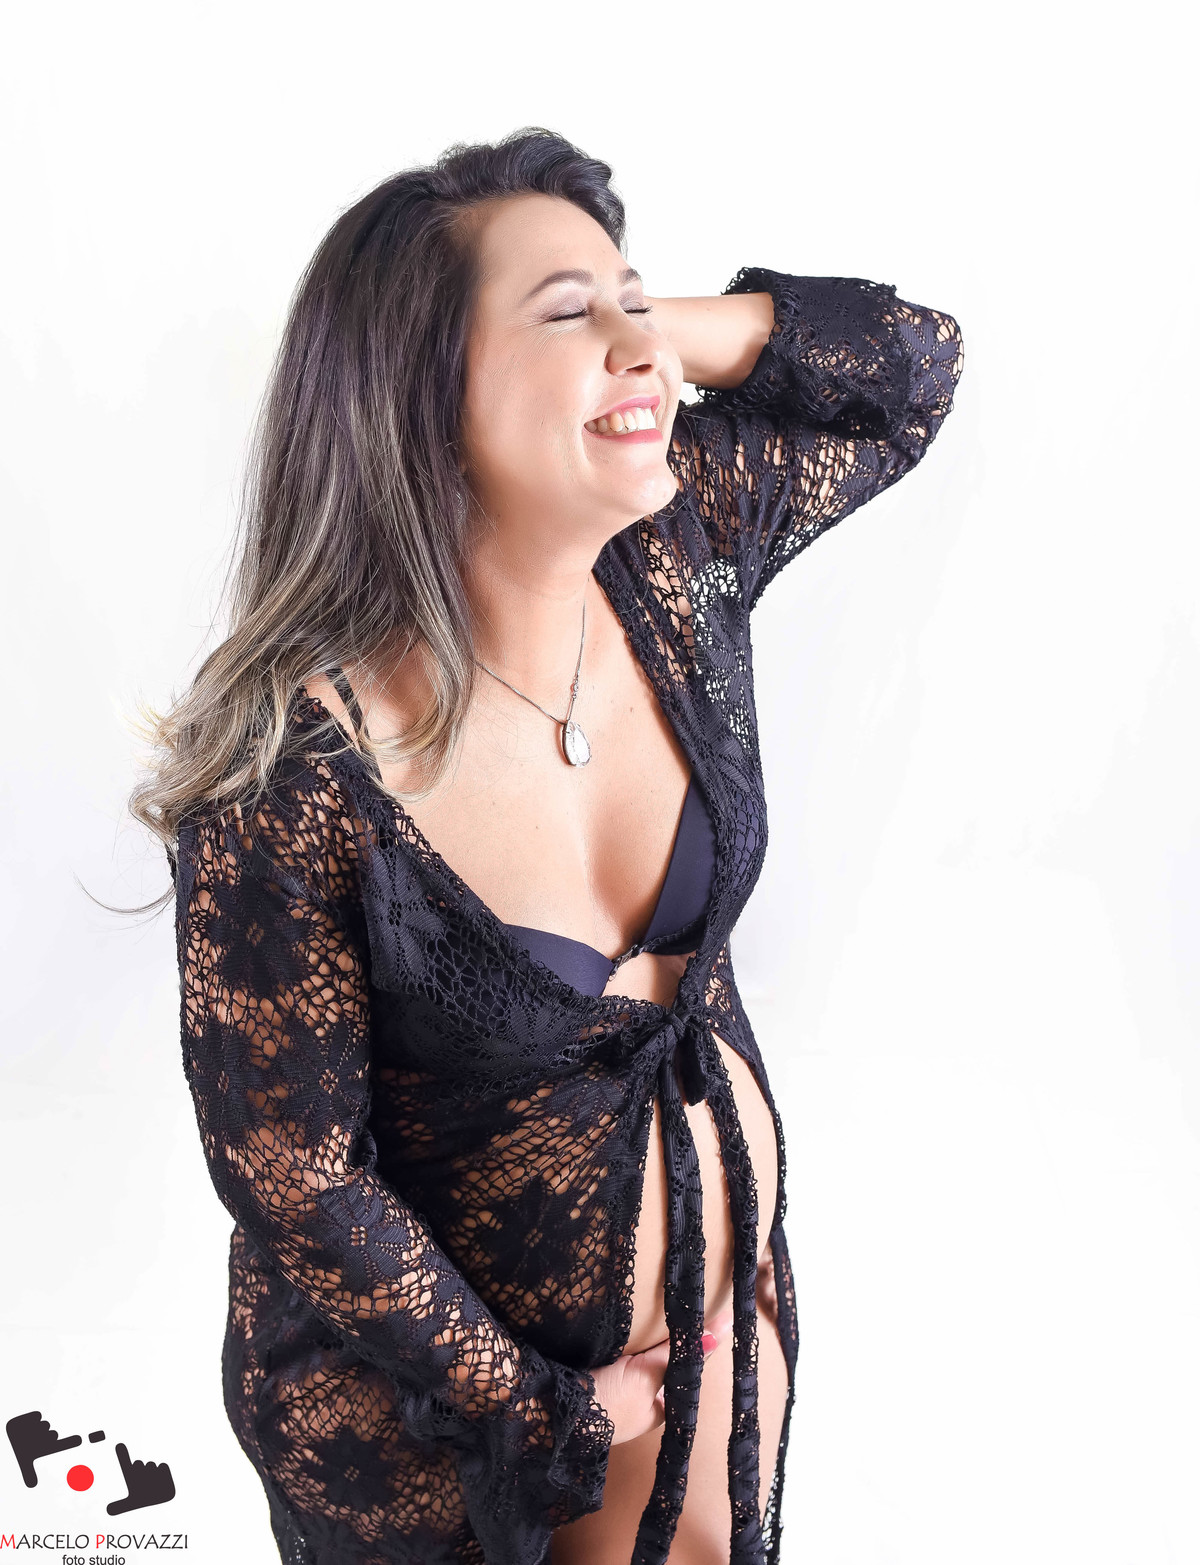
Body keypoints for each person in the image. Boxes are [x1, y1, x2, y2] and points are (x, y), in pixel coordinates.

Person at [132, 127, 964, 1565]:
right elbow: (298, 1177)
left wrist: (635, 335)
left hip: (710, 1339)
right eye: (566, 312)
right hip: (451, 1437)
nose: (644, 346)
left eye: (638, 296)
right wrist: (547, 1406)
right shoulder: (297, 763)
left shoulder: (677, 557)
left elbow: (913, 373)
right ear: (419, 391)